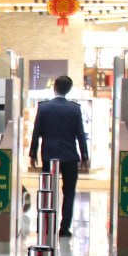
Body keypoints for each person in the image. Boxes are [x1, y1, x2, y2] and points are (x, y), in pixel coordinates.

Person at [29, 75, 89, 236]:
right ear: (69, 89)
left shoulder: (44, 108)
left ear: (54, 87)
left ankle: (45, 224)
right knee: (69, 192)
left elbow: (36, 132)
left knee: (47, 190)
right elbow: (80, 134)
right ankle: (64, 228)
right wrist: (84, 156)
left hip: (49, 155)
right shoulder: (75, 109)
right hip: (70, 156)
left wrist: (33, 153)